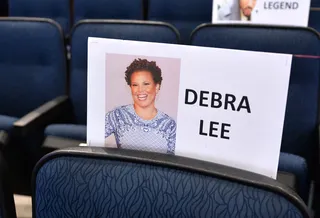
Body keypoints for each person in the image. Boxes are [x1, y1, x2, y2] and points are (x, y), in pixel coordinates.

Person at [105, 58, 177, 154]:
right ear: (130, 87)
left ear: (157, 87)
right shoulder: (118, 115)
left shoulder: (169, 125)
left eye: (146, 84)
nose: (140, 90)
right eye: (135, 85)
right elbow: (92, 138)